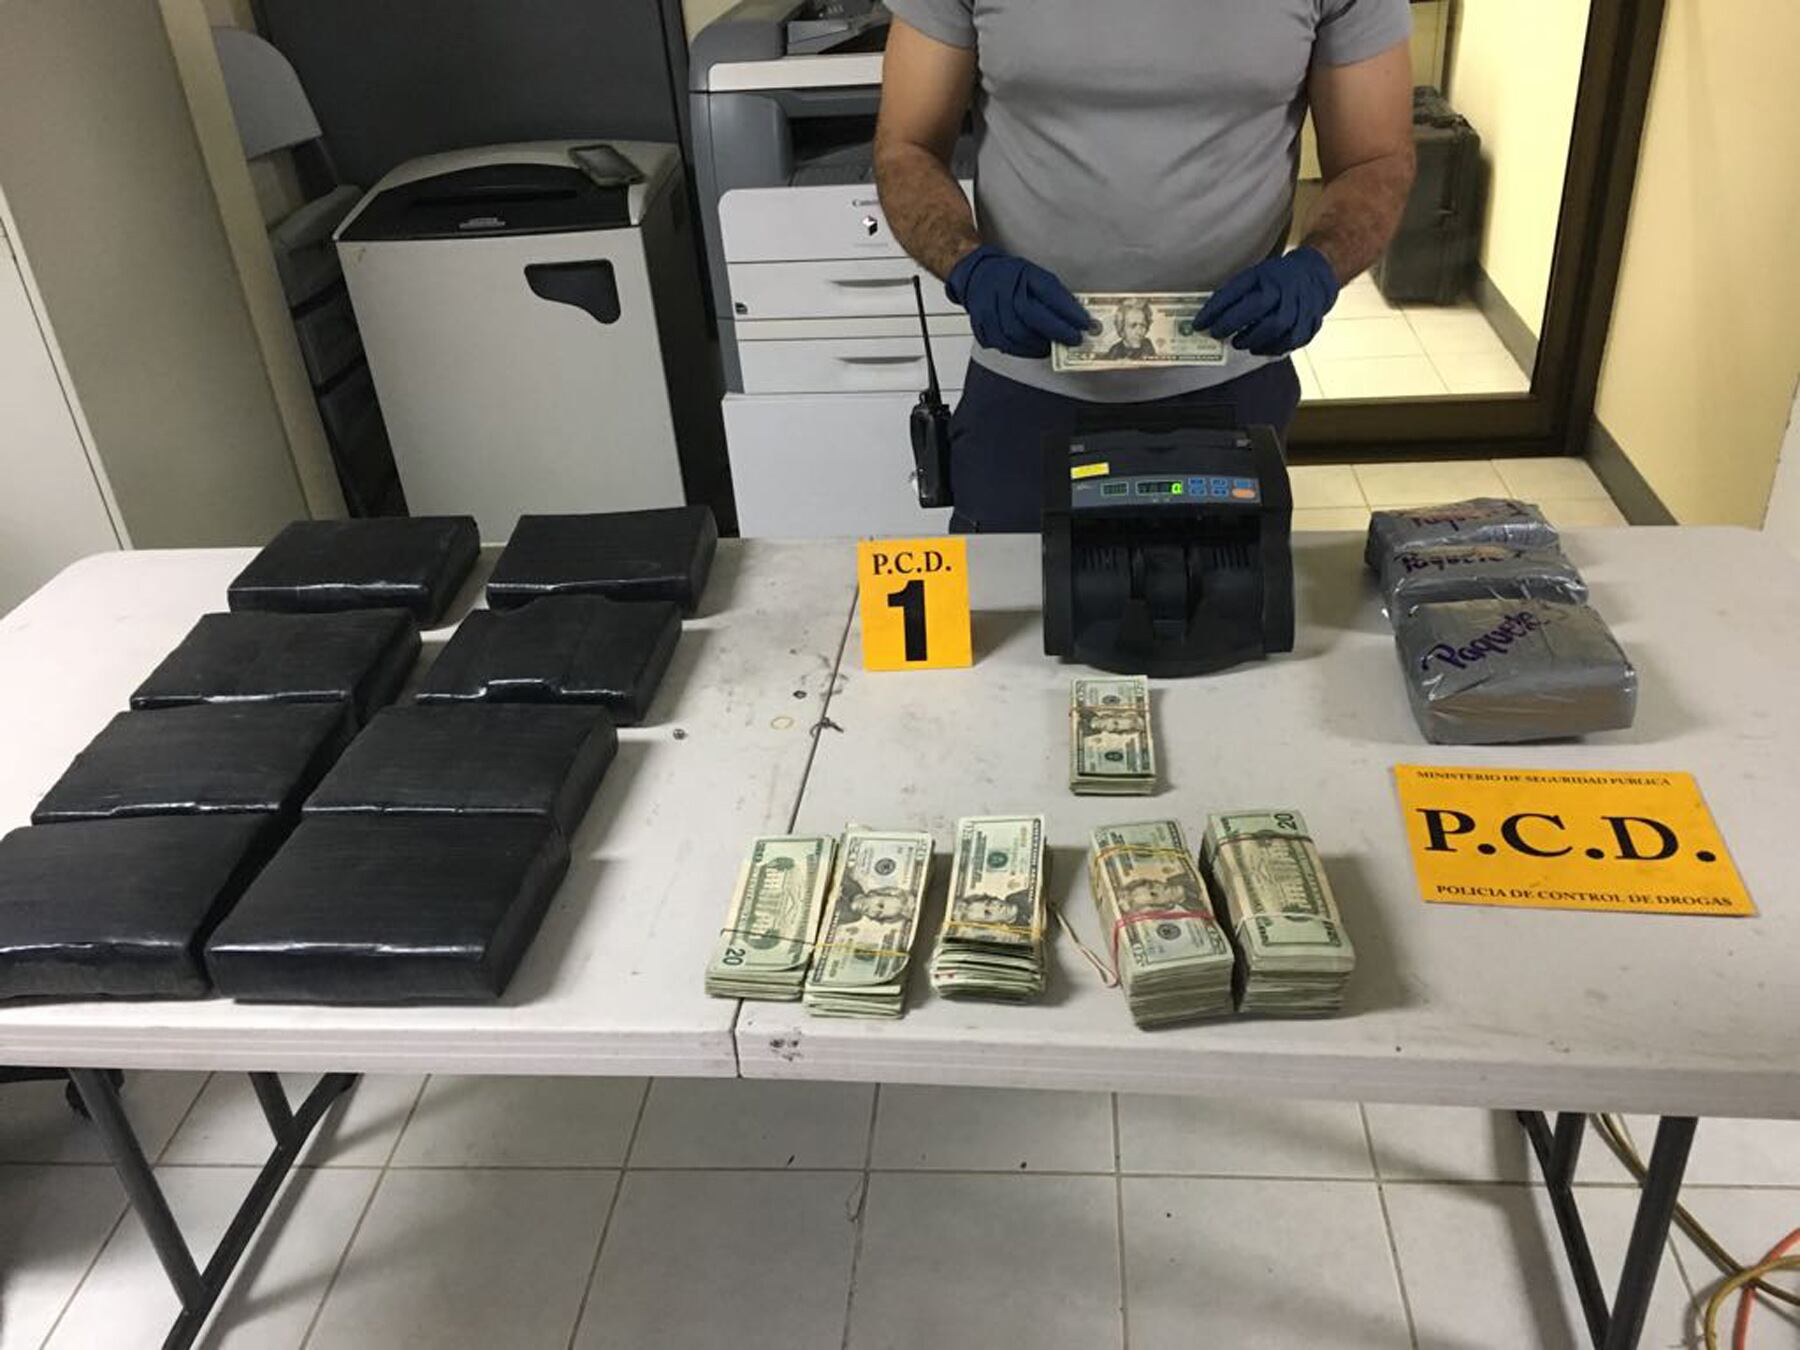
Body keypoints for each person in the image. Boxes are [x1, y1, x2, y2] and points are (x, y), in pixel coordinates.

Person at [874, 0, 1418, 532]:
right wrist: (968, 266)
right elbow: (908, 147)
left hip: (1231, 385)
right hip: (1026, 386)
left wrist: (1319, 266)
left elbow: (1375, 159)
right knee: (1011, 592)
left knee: (1232, 591)